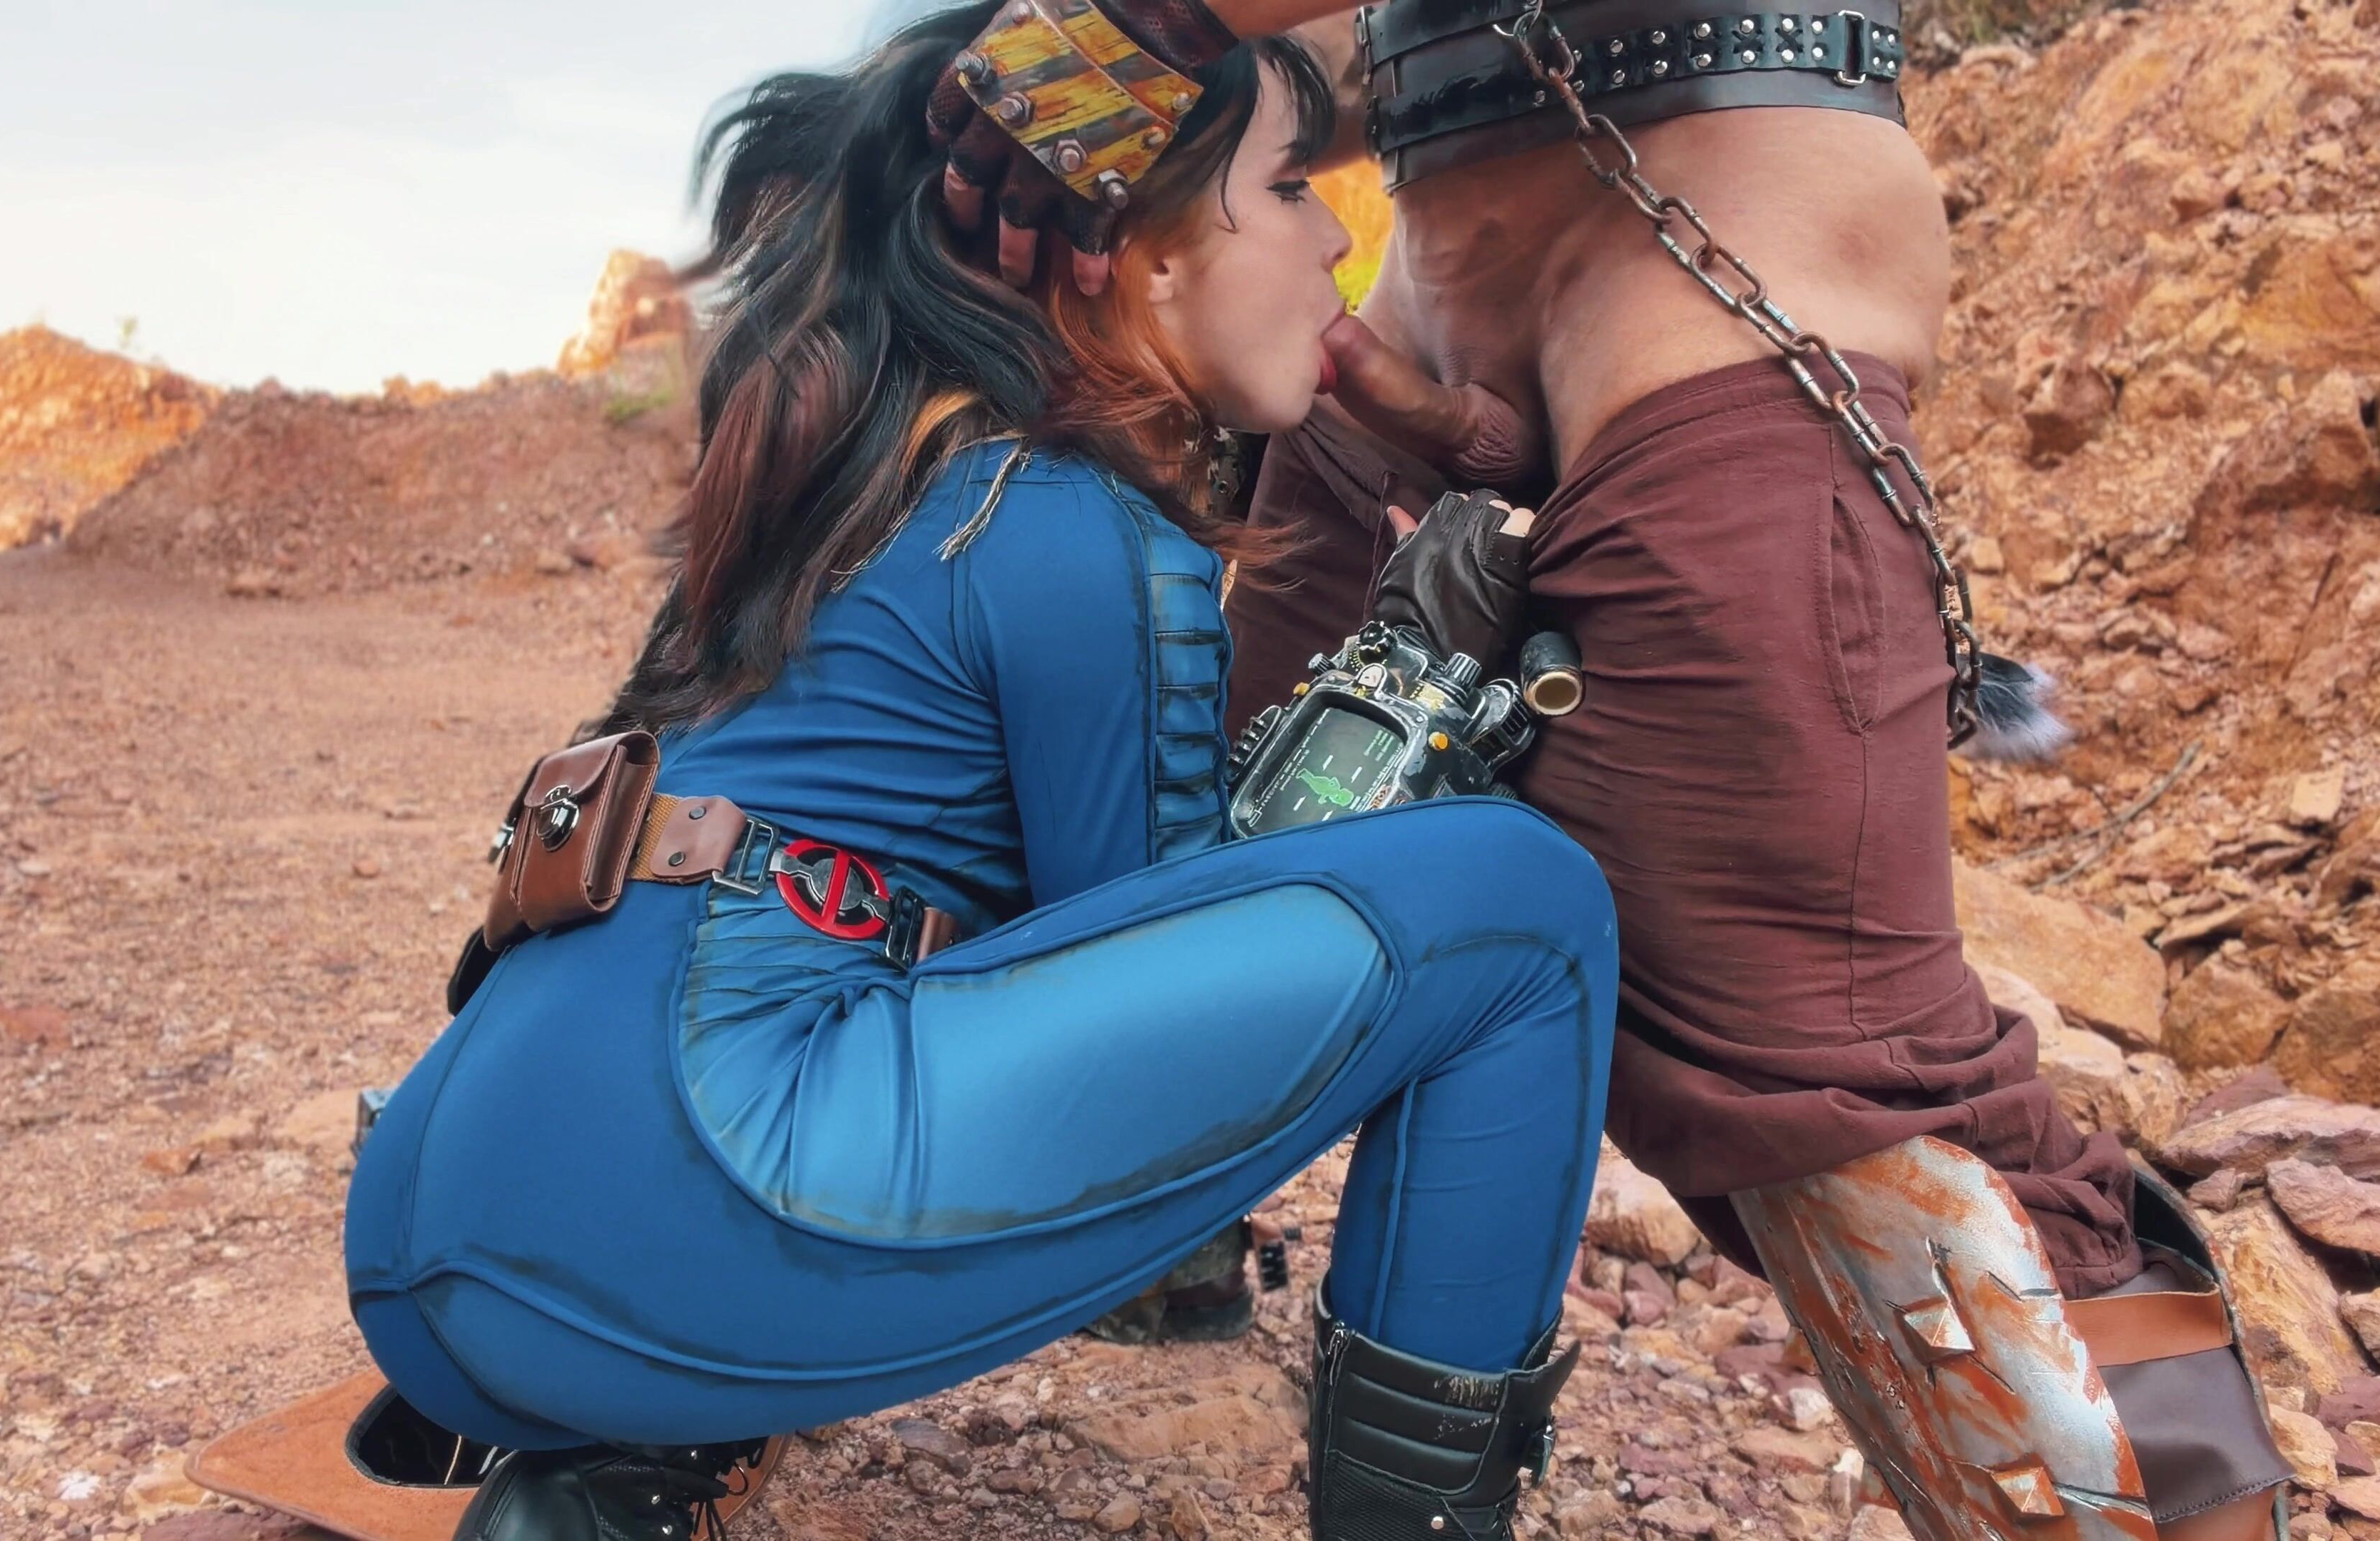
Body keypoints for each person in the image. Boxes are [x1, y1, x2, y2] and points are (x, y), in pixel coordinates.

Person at [931, 0, 2292, 1535]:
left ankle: (2171, 1505)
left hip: (1715, 313)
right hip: (1399, 367)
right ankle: (1099, 1263)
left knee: (1852, 1087)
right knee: (1198, 853)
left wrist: (1138, 26)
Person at [342, 12, 1623, 1540]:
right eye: (1291, 189)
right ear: (1143, 254)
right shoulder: (1078, 528)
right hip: (685, 1213)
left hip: (431, 1240)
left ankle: (617, 1473)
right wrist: (1407, 686)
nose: (1334, 245)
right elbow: (1170, 1025)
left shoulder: (854, 485)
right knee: (1527, 910)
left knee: (835, 983)